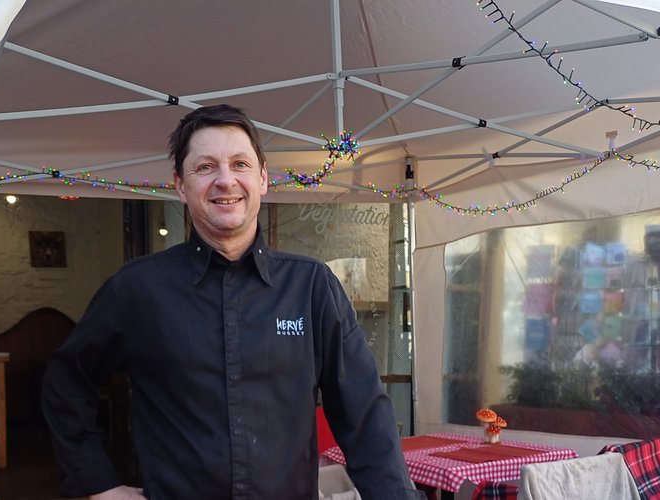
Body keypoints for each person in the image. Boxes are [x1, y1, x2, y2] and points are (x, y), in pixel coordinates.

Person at [42, 104, 420, 499]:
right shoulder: (138, 289)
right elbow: (65, 381)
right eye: (205, 167)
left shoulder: (310, 287)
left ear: (262, 178)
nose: (225, 180)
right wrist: (98, 483)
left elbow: (363, 415)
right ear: (179, 185)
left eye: (240, 164)